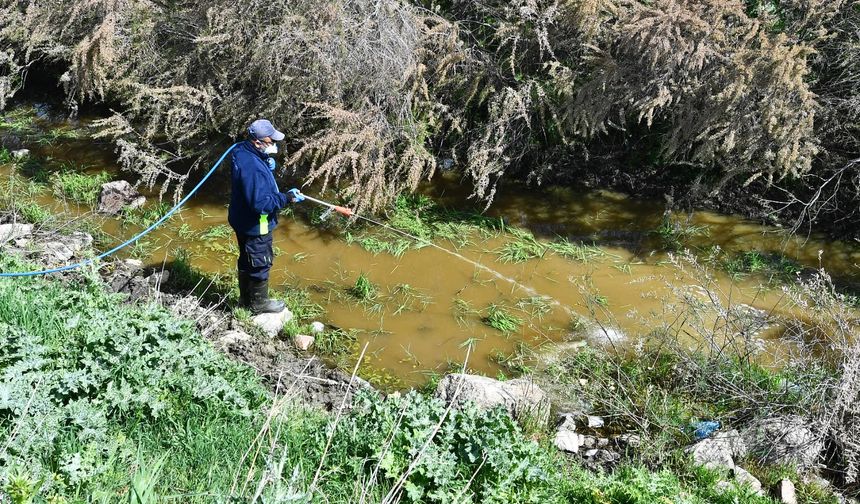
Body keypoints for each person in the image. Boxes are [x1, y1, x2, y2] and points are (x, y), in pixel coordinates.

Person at [228, 118, 304, 314]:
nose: (275, 145)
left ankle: (245, 300)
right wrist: (287, 198)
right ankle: (258, 304)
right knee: (260, 261)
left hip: (240, 218)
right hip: (256, 225)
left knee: (246, 259)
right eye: (271, 142)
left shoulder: (241, 150)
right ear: (257, 142)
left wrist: (264, 161)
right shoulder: (252, 168)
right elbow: (261, 204)